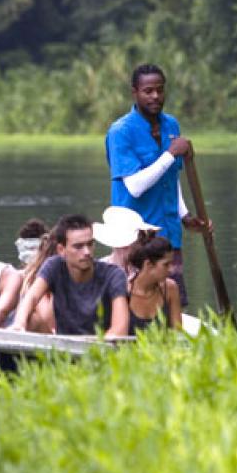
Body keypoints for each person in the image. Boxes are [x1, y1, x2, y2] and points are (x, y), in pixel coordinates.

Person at [105, 64, 212, 306]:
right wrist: (170, 155)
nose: (155, 96)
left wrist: (185, 216)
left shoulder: (171, 125)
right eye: (148, 91)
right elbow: (134, 186)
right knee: (137, 305)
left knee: (173, 302)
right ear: (135, 92)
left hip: (169, 235)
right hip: (135, 240)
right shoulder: (121, 132)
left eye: (160, 90)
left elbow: (170, 180)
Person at [5, 214, 129, 338]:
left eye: (90, 244)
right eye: (78, 246)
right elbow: (31, 297)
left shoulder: (114, 275)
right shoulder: (55, 266)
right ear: (61, 250)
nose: (87, 252)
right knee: (31, 320)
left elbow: (119, 330)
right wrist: (19, 324)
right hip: (63, 348)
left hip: (102, 347)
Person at [125, 236, 183, 334]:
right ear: (148, 264)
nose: (171, 270)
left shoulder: (170, 289)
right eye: (166, 265)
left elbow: (178, 335)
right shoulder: (124, 292)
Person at [94, 205, 159, 272]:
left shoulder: (144, 268)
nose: (142, 244)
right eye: (140, 238)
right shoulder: (100, 271)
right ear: (125, 245)